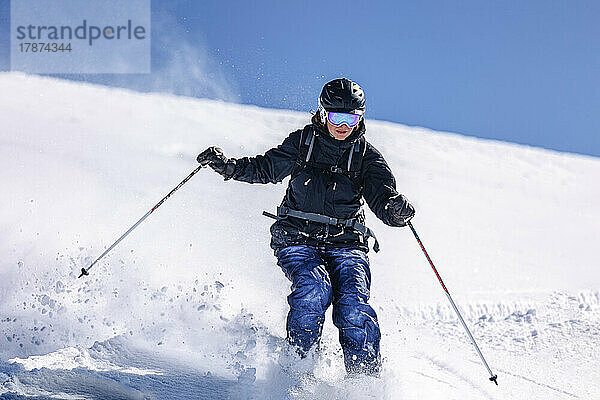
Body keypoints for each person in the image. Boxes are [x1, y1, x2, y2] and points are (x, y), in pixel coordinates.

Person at [197, 78, 415, 376]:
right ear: (323, 113)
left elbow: (383, 199)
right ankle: (296, 371)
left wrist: (395, 210)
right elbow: (265, 168)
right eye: (337, 116)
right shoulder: (303, 143)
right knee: (314, 288)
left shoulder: (367, 158)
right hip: (296, 236)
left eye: (351, 117)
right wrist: (229, 167)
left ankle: (365, 383)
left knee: (351, 303)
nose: (343, 125)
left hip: (347, 243)